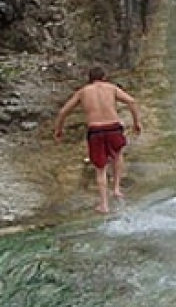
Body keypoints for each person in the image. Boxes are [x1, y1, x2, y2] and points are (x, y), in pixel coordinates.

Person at [53, 66, 142, 213]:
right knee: (117, 155)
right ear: (104, 77)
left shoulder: (83, 91)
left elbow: (63, 111)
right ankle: (116, 189)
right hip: (113, 127)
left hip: (95, 130)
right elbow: (131, 101)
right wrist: (136, 122)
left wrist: (59, 129)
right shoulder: (111, 88)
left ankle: (104, 205)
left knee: (100, 168)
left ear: (89, 79)